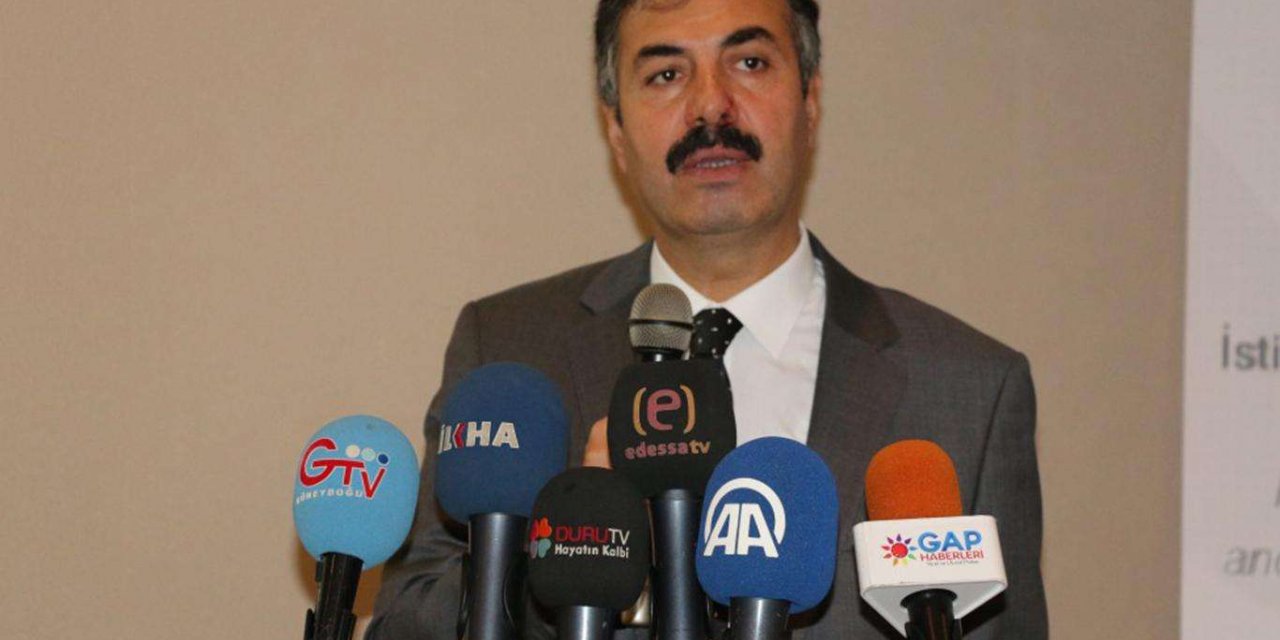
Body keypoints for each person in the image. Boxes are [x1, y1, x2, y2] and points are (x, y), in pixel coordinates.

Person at [368, 0, 1047, 638]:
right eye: (666, 74)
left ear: (810, 99)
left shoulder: (970, 390)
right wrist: (566, 553)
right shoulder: (506, 346)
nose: (710, 106)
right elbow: (408, 619)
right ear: (616, 128)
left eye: (748, 63)